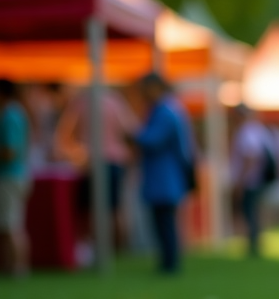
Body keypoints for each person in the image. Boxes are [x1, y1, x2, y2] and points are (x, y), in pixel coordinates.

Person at [55, 86, 139, 253]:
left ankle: (96, 248)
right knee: (115, 208)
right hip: (114, 160)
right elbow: (131, 130)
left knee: (93, 209)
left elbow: (64, 134)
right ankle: (118, 249)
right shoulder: (115, 101)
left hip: (91, 161)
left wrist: (76, 152)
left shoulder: (81, 102)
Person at [129, 73, 194, 274]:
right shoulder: (169, 109)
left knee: (165, 223)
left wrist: (131, 136)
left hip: (165, 178)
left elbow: (153, 140)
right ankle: (168, 262)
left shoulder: (165, 111)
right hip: (165, 178)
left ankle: (169, 264)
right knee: (164, 222)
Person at [0, 79, 32, 276]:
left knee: (11, 225)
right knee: (8, 224)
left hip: (8, 176)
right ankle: (10, 268)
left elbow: (10, 151)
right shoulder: (16, 113)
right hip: (15, 175)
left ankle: (18, 269)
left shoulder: (10, 115)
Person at [229, 104, 279, 257]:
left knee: (249, 211)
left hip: (251, 180)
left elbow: (250, 156)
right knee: (254, 211)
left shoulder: (247, 131)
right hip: (257, 179)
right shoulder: (258, 130)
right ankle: (255, 242)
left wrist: (241, 179)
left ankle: (253, 243)